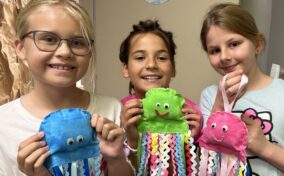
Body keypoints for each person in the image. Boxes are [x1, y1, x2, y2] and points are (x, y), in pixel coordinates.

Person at [0, 0, 133, 175]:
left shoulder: (112, 109)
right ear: (21, 48)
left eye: (77, 42)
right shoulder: (4, 124)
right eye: (48, 39)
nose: (64, 52)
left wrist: (116, 159)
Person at [199, 3, 284, 175]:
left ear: (258, 44)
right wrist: (218, 107)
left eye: (234, 44)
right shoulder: (209, 97)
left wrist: (265, 148)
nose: (224, 57)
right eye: (215, 50)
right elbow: (206, 159)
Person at [119, 19, 203, 169]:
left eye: (162, 58)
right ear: (126, 68)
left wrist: (189, 139)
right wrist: (131, 138)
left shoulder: (189, 113)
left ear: (173, 68)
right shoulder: (119, 112)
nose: (151, 65)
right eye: (140, 57)